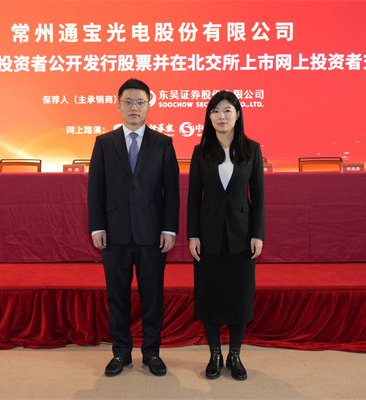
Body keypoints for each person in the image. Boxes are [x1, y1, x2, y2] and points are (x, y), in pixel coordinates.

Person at [88, 78, 180, 377]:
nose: (134, 107)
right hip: (114, 233)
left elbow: (172, 191)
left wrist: (169, 229)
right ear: (118, 106)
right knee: (117, 296)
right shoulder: (104, 143)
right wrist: (96, 226)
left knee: (152, 296)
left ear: (149, 106)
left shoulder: (163, 143)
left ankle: (152, 352)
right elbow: (95, 189)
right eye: (128, 101)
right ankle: (121, 352)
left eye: (140, 102)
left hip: (152, 234)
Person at [186, 90, 265, 381]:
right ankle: (215, 354)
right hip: (208, 236)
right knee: (210, 296)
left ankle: (235, 355)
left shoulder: (252, 149)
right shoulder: (201, 151)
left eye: (227, 110)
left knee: (239, 297)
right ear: (209, 117)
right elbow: (193, 197)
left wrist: (257, 234)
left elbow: (258, 196)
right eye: (216, 111)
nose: (222, 116)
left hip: (242, 237)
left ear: (238, 114)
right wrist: (193, 235)